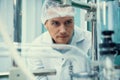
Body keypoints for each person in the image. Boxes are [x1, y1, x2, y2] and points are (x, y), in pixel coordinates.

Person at [26, 0, 91, 80]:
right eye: (55, 23)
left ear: (73, 21)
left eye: (68, 22)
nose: (63, 30)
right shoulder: (36, 49)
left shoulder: (90, 41)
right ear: (45, 24)